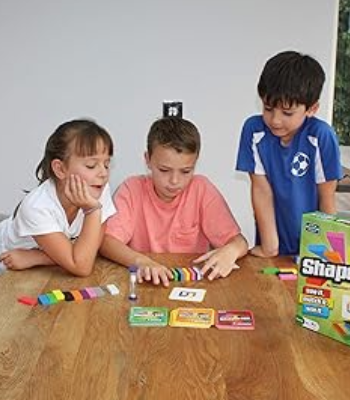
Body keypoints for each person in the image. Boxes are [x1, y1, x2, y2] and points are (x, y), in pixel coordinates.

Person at [0, 119, 116, 308]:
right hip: (4, 253)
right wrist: (91, 211)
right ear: (60, 169)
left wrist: (36, 258)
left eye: (106, 164)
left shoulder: (98, 189)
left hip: (39, 255)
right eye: (91, 165)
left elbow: (89, 252)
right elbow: (81, 264)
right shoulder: (37, 206)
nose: (103, 173)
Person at [100, 117, 248, 284]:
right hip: (146, 284)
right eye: (164, 170)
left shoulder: (201, 189)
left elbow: (240, 242)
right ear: (147, 160)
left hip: (190, 284)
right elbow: (106, 242)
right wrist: (142, 262)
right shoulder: (131, 189)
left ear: (195, 162)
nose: (174, 181)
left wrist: (231, 250)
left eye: (185, 171)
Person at [236, 50, 342, 258]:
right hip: (272, 242)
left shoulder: (321, 136)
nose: (275, 120)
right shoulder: (254, 130)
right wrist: (270, 247)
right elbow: (261, 189)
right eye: (268, 108)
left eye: (287, 113)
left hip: (314, 248)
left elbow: (327, 198)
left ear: (311, 109)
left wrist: (323, 253)